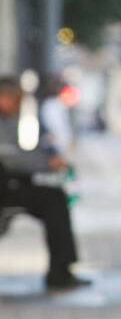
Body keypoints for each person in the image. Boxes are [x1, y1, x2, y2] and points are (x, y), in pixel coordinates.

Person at [0, 76, 90, 291]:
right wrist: (47, 163)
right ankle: (60, 272)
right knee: (54, 200)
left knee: (55, 197)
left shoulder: (7, 119)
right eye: (16, 100)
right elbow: (11, 156)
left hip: (10, 182)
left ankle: (62, 269)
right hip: (6, 187)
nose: (19, 105)